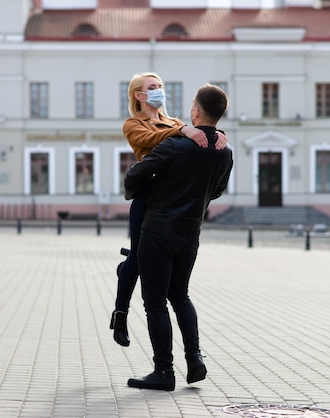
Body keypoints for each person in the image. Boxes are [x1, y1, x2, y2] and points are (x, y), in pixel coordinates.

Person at [124, 83, 233, 391]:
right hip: (190, 234)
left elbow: (134, 176)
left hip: (158, 231)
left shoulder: (174, 145)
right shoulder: (224, 150)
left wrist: (149, 191)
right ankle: (195, 358)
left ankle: (164, 372)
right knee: (180, 295)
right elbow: (218, 189)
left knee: (155, 301)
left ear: (195, 111)